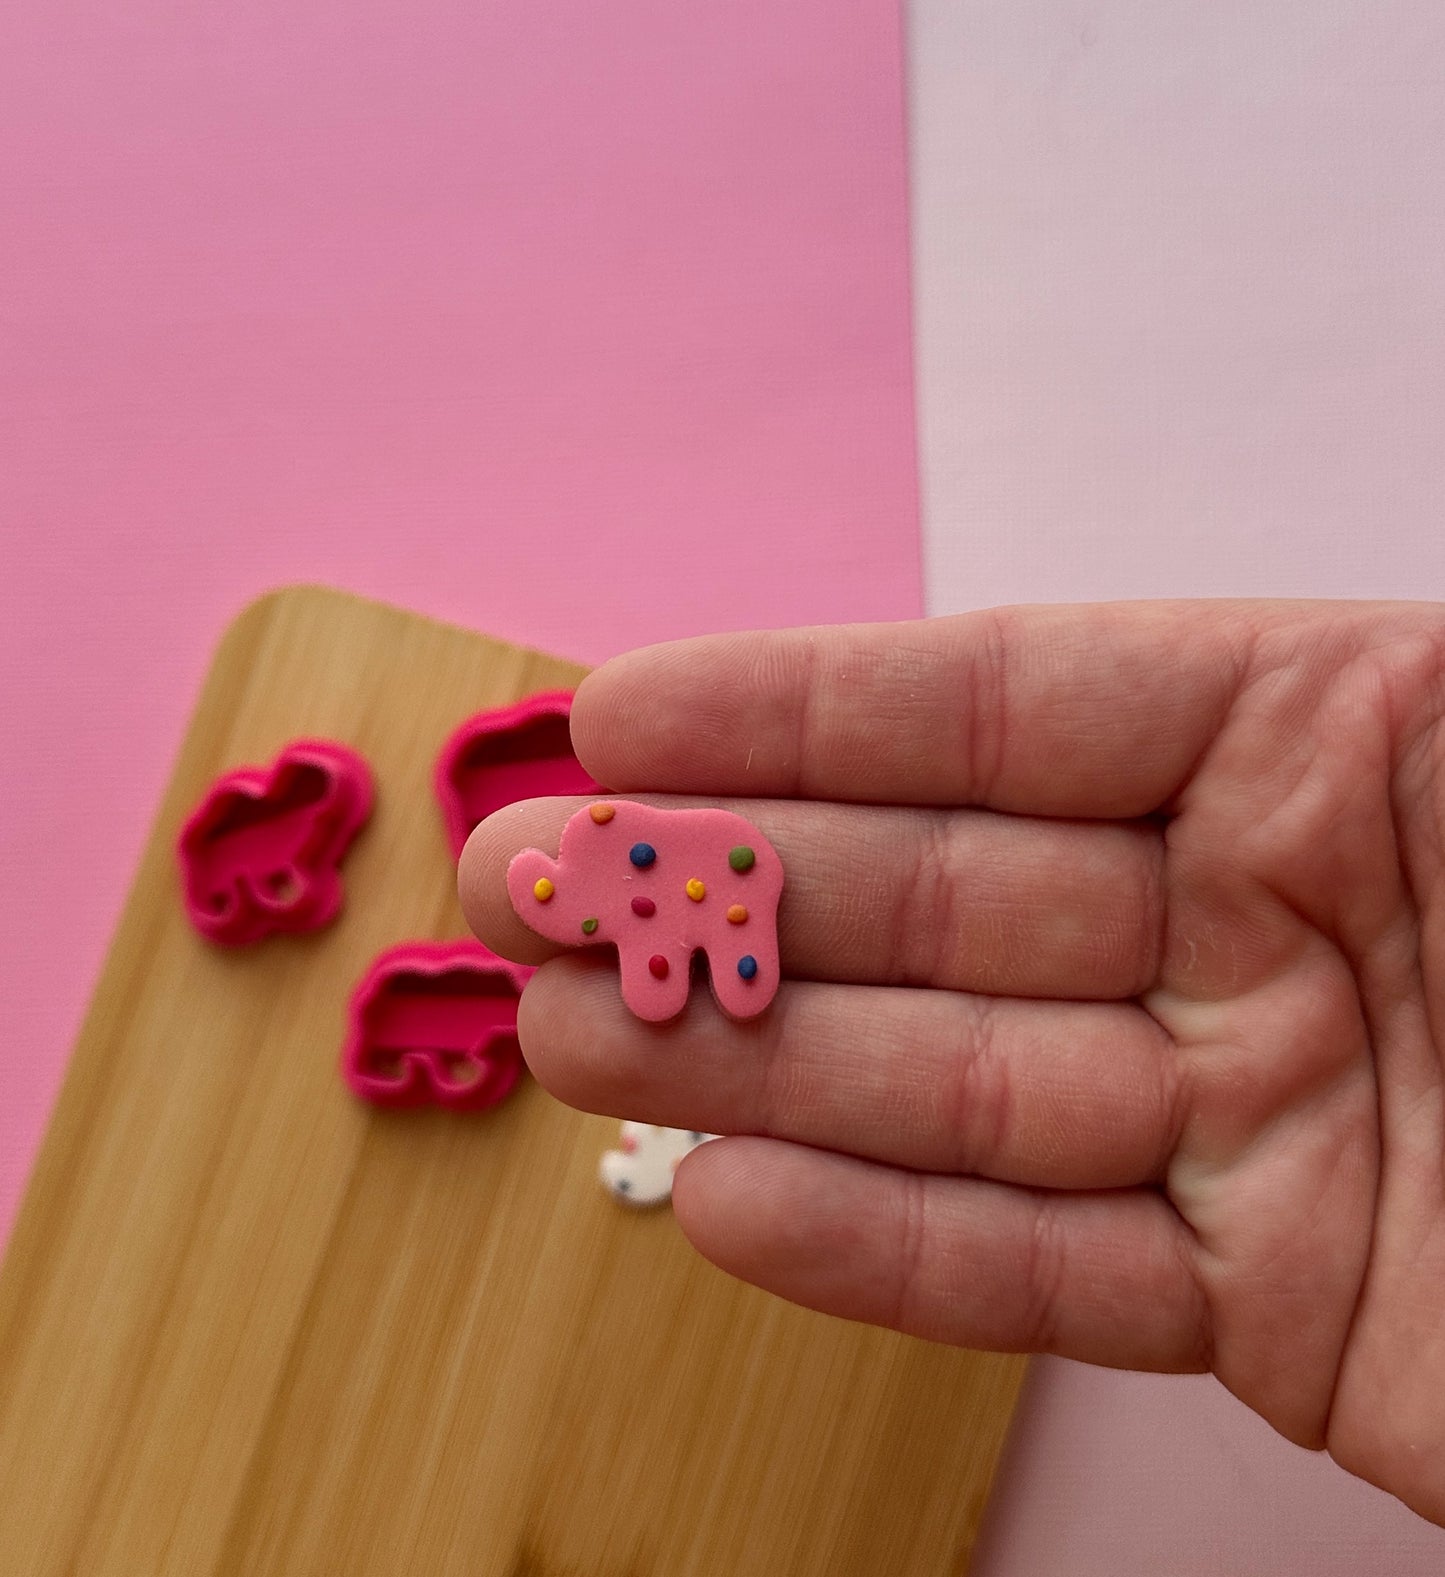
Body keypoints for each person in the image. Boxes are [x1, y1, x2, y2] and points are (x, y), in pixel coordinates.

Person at [459, 599, 1445, 1527]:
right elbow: (637, 938)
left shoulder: (675, 861)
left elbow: (651, 938)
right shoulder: (622, 866)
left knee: (718, 965)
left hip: (719, 885)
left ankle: (729, 960)